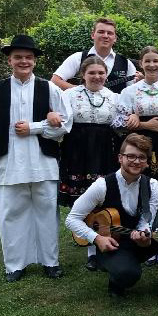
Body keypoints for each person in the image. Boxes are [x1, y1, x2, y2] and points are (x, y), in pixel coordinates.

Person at [0, 35, 71, 282]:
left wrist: (36, 128)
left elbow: (64, 123)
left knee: (47, 212)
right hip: (9, 163)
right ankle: (15, 265)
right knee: (11, 214)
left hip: (43, 162)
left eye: (28, 57)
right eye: (18, 57)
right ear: (9, 60)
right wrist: (5, 137)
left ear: (35, 61)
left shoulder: (49, 88)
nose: (24, 61)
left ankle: (50, 261)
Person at [65, 133, 158, 301]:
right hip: (110, 244)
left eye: (141, 157)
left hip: (135, 240)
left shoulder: (152, 186)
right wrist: (97, 238)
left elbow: (146, 221)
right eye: (130, 156)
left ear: (147, 162)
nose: (136, 161)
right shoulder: (102, 186)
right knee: (128, 275)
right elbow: (71, 219)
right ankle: (117, 274)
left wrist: (144, 236)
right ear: (120, 158)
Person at [115, 46, 158, 207]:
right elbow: (117, 122)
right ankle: (135, 218)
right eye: (147, 61)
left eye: (155, 61)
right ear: (141, 64)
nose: (152, 65)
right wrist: (142, 123)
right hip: (139, 143)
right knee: (138, 185)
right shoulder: (130, 91)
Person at [59, 57, 119, 207]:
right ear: (83, 74)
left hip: (104, 148)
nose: (97, 76)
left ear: (106, 74)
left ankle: (100, 221)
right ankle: (78, 220)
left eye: (101, 73)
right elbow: (62, 120)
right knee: (78, 194)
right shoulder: (69, 94)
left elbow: (120, 124)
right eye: (92, 73)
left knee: (102, 192)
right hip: (77, 147)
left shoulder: (114, 97)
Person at [51, 18, 139, 93]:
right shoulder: (78, 57)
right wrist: (80, 91)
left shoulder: (126, 63)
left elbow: (134, 92)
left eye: (109, 33)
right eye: (101, 32)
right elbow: (55, 81)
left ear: (115, 38)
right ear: (93, 35)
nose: (105, 36)